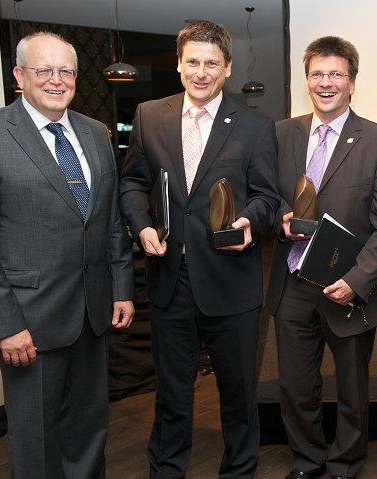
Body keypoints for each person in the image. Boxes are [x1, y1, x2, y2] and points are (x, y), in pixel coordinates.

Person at [0, 32, 135, 478]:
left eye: (66, 71)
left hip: (93, 312)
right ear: (19, 76)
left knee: (89, 426)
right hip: (28, 321)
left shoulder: (94, 133)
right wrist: (4, 324)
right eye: (44, 70)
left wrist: (121, 289)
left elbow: (108, 221)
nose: (57, 80)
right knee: (35, 436)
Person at [119, 20, 279, 479]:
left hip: (232, 281)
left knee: (238, 394)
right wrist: (142, 224)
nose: (201, 72)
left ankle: (239, 471)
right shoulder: (150, 115)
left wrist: (252, 220)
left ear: (227, 68)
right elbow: (132, 182)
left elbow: (268, 195)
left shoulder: (254, 126)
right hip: (170, 280)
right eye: (193, 62)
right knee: (171, 394)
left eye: (212, 63)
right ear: (178, 64)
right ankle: (166, 470)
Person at [266, 36, 377, 479]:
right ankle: (307, 461)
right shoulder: (282, 133)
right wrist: (277, 218)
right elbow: (266, 198)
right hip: (292, 284)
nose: (326, 83)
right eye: (318, 74)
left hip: (348, 287)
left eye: (336, 74)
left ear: (352, 82)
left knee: (352, 390)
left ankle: (345, 464)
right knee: (296, 387)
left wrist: (359, 280)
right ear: (307, 80)